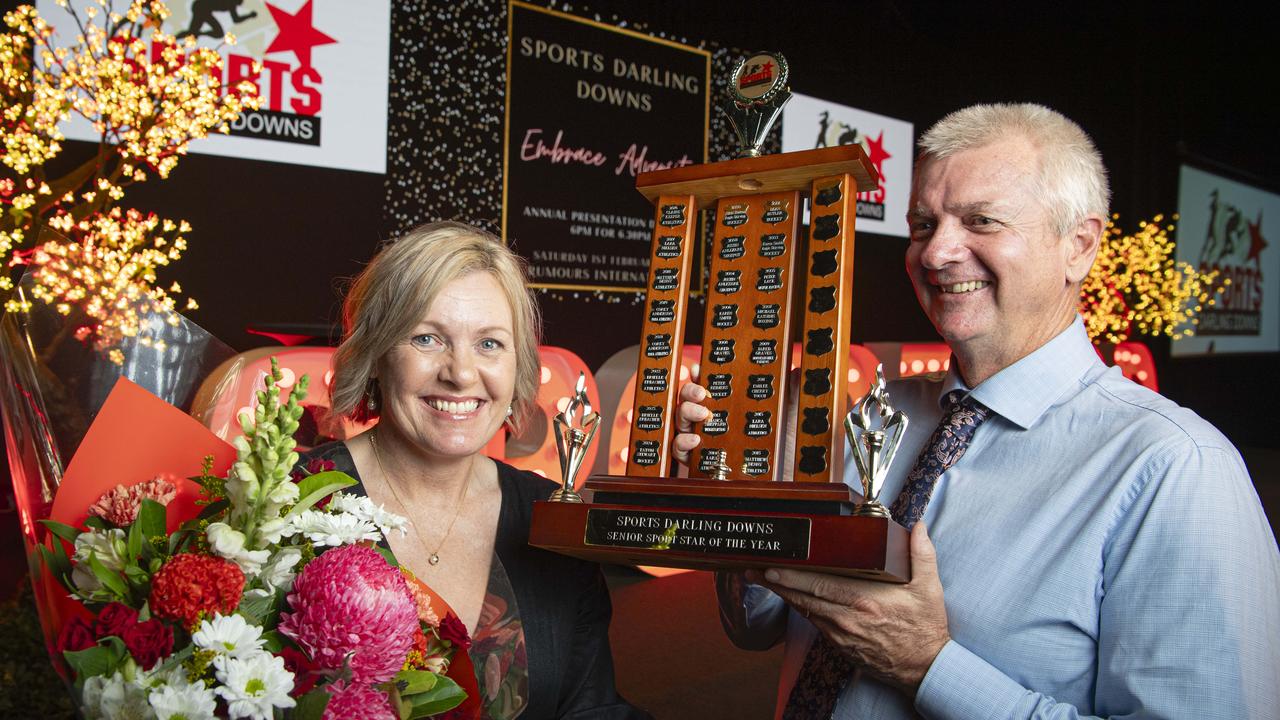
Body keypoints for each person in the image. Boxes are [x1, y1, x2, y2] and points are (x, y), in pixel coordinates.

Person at [675, 104, 1280, 718]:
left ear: (1079, 246)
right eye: (921, 225)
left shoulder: (1177, 470)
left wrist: (928, 665)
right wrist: (748, 494)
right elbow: (756, 627)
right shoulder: (867, 421)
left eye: (981, 221)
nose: (936, 254)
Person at [300, 221, 646, 719]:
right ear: (375, 355)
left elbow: (589, 707)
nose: (461, 374)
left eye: (489, 344)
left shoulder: (551, 518)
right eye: (426, 339)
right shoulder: (293, 501)